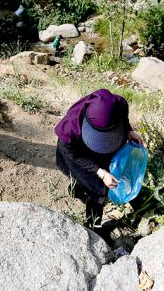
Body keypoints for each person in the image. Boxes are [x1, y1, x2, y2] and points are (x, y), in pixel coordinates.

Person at [55, 89, 143, 230]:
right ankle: (93, 228)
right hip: (79, 152)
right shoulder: (70, 129)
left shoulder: (119, 104)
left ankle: (77, 190)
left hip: (109, 143)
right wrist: (100, 172)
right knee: (96, 190)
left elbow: (123, 118)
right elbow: (73, 155)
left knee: (90, 183)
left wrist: (128, 130)